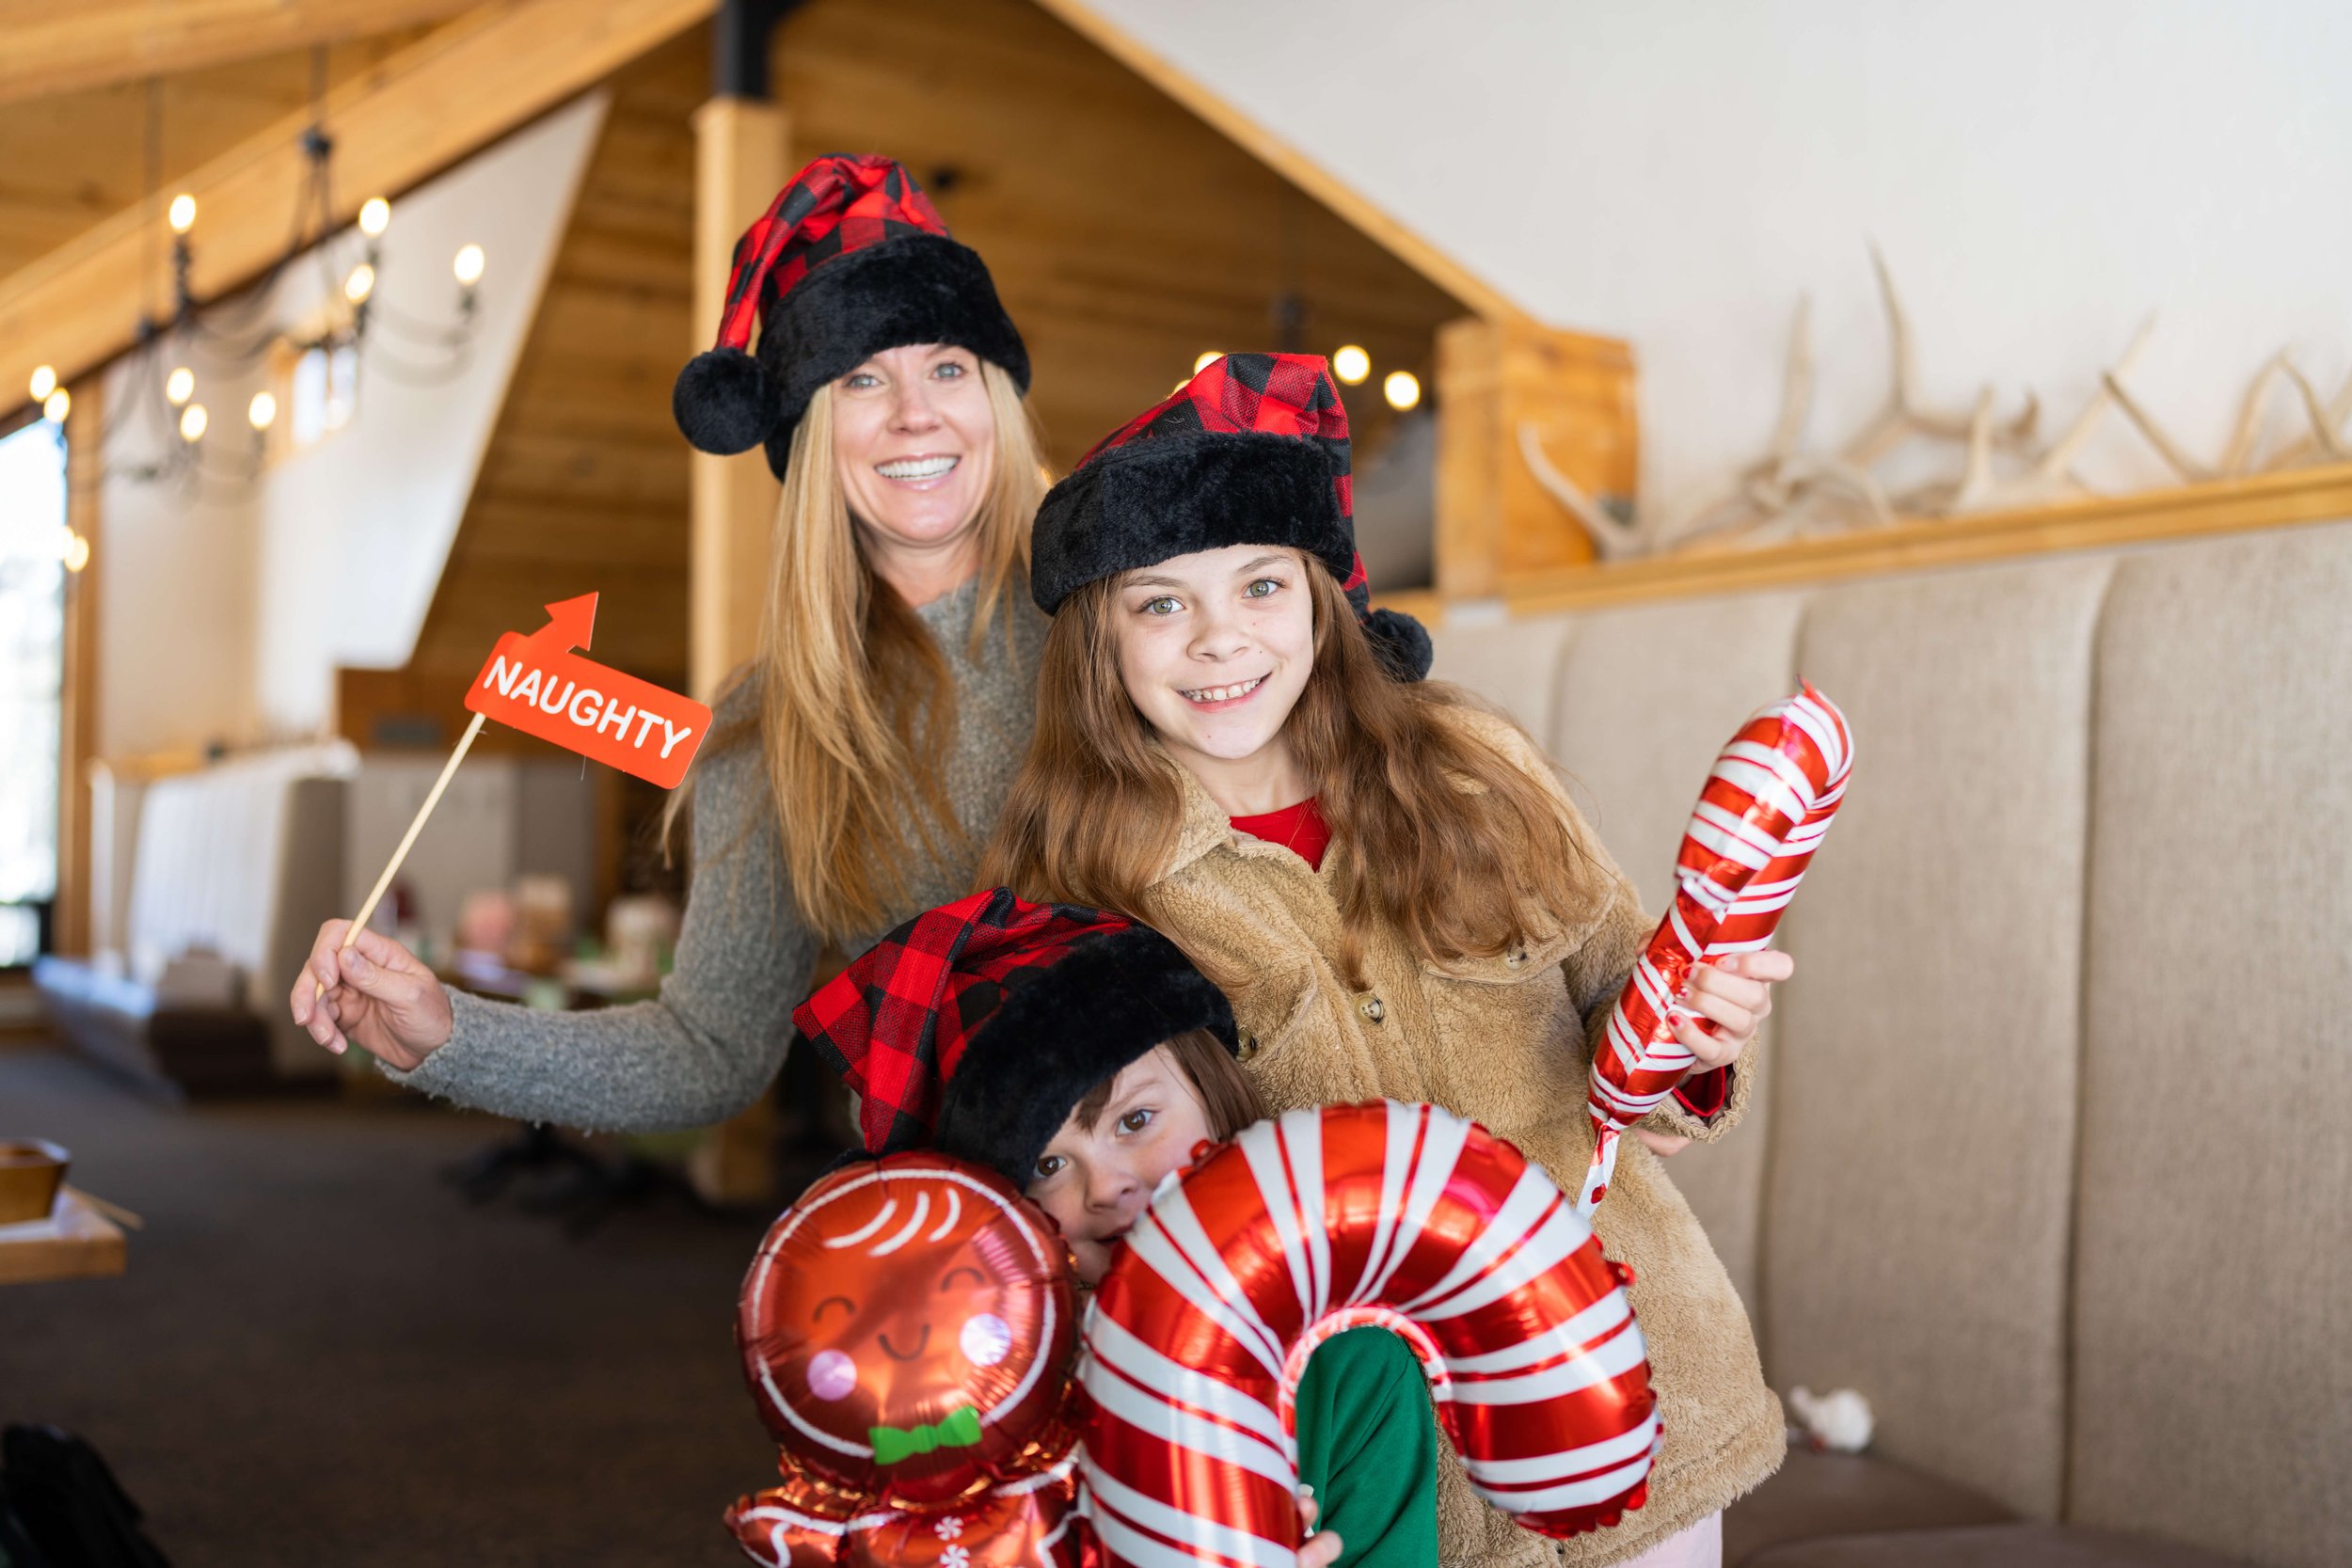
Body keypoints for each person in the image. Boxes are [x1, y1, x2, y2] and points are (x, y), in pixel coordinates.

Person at [980, 353, 1792, 1568]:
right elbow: (1076, 1226)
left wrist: (1694, 1029)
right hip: (1365, 1479)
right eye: (1160, 603)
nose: (1218, 641)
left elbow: (1640, 1048)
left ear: (1318, 597)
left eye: (1259, 585)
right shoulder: (1073, 886)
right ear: (1100, 641)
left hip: (1645, 1402)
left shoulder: (1471, 767)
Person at [287, 154, 1050, 1131]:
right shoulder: (770, 719)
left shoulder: (1120, 617)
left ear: (996, 399)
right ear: (809, 432)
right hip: (949, 1228)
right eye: (862, 377)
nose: (915, 412)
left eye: (949, 366)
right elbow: (711, 1050)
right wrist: (453, 1034)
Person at [795, 887, 1444, 1568]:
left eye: (1135, 1120)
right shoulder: (957, 1402)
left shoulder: (1353, 1362)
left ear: (1213, 1091)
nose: (1106, 1186)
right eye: (1048, 1162)